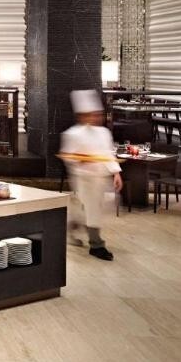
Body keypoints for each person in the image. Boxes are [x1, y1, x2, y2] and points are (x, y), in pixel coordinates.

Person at [59, 89, 121, 261]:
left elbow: (108, 154)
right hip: (84, 179)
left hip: (101, 177)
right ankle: (97, 245)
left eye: (97, 114)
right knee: (92, 210)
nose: (95, 118)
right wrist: (79, 160)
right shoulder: (72, 134)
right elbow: (67, 156)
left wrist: (116, 173)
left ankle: (71, 228)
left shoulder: (104, 133)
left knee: (93, 209)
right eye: (91, 114)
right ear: (82, 116)